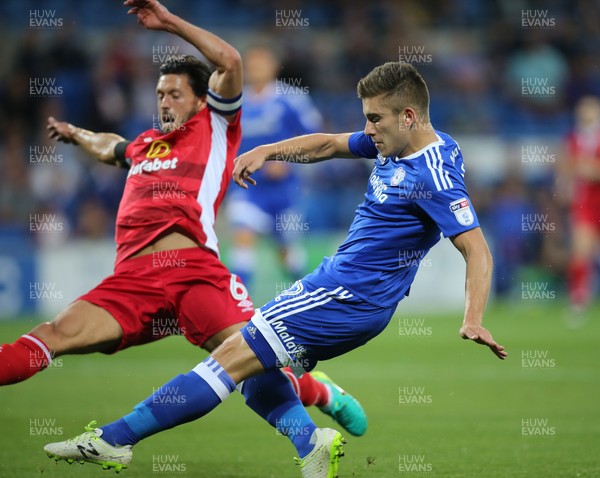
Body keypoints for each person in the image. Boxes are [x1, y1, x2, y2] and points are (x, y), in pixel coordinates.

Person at [44, 62, 507, 478]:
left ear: (409, 116)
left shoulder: (435, 176)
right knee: (253, 377)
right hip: (351, 298)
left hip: (343, 293)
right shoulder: (405, 142)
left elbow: (477, 250)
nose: (368, 129)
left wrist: (472, 318)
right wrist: (268, 151)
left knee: (224, 360)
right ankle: (312, 444)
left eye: (375, 119)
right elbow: (328, 143)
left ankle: (112, 440)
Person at [0, 0, 366, 443]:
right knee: (53, 334)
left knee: (252, 362)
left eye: (175, 93)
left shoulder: (215, 125)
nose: (165, 102)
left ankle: (317, 409)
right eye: (159, 94)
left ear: (200, 98)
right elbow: (110, 146)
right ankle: (316, 398)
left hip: (193, 273)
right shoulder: (146, 144)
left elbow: (229, 60)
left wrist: (168, 21)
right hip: (133, 279)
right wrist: (78, 135)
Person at [226, 46, 322, 290]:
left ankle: (307, 295)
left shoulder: (292, 99)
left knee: (286, 251)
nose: (255, 70)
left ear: (272, 68)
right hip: (248, 186)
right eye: (251, 65)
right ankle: (240, 304)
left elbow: (316, 136)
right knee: (243, 235)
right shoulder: (237, 103)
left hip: (283, 189)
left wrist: (287, 161)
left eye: (260, 64)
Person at [557, 95, 600, 316]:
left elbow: (586, 169)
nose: (586, 114)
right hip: (585, 204)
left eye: (590, 110)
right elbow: (565, 167)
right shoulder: (573, 138)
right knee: (580, 253)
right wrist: (563, 185)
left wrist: (589, 169)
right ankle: (578, 300)